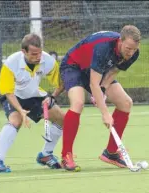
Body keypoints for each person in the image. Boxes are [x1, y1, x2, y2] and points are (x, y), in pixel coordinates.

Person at [60, 25, 141, 171]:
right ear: (120, 41)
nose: (131, 53)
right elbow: (93, 83)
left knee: (126, 103)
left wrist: (103, 89)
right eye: (128, 48)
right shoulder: (104, 47)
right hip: (74, 66)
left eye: (134, 49)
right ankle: (66, 155)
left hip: (96, 71)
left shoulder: (134, 53)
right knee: (78, 103)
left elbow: (113, 72)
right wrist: (105, 113)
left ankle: (111, 153)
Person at [0, 33, 65, 172]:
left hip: (34, 95)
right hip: (14, 95)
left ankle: (45, 155)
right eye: (34, 54)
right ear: (24, 51)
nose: (38, 57)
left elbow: (61, 83)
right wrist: (20, 110)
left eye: (39, 53)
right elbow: (7, 92)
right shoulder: (11, 63)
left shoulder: (48, 61)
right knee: (16, 120)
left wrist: (52, 97)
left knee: (61, 118)